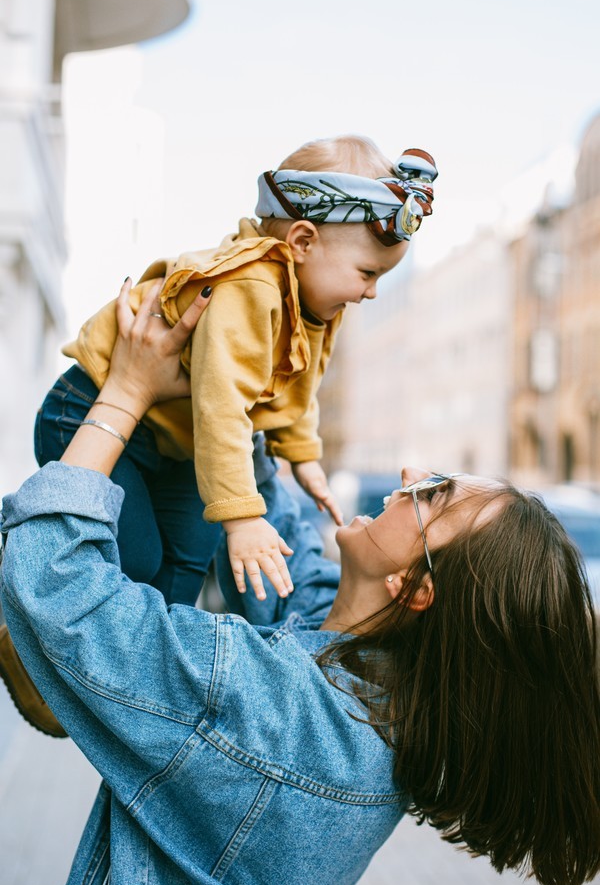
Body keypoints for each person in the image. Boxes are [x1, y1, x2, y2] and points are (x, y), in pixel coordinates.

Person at [1, 284, 599, 885]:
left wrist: (125, 393)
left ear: (413, 587)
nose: (408, 472)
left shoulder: (277, 707)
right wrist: (237, 365)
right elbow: (286, 549)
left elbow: (55, 582)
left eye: (433, 496)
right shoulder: (379, 683)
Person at [34, 135, 438, 609]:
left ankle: (152, 660)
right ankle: (37, 625)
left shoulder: (312, 304)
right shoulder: (249, 287)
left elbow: (299, 382)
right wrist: (243, 519)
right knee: (140, 558)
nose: (370, 292)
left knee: (188, 555)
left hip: (178, 443)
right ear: (302, 242)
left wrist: (303, 456)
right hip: (88, 410)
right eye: (368, 273)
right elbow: (222, 407)